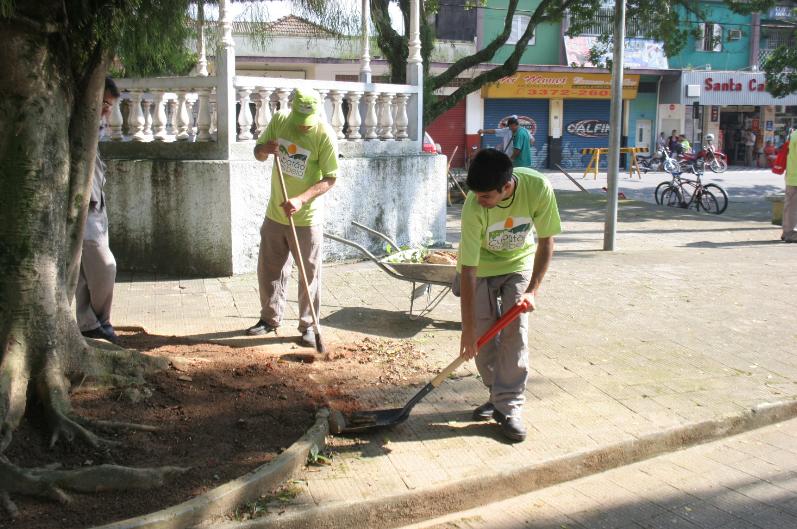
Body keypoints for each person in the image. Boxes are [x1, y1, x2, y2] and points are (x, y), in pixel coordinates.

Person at [456, 149, 561, 442]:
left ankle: (509, 407)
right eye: (476, 195)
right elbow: (468, 271)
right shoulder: (474, 207)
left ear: (506, 186)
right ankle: (497, 393)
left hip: (518, 264)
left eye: (487, 196)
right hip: (481, 269)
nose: (481, 201)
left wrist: (532, 291)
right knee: (482, 341)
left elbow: (546, 241)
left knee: (516, 334)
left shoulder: (537, 188)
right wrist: (468, 330)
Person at [246, 88, 339, 346]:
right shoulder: (280, 121)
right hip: (275, 213)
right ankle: (269, 319)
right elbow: (258, 154)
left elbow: (330, 177)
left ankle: (309, 325)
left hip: (306, 218)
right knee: (269, 270)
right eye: (299, 122)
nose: (303, 128)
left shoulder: (324, 135)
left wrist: (301, 199)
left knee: (309, 275)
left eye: (306, 124)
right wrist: (265, 148)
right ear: (293, 110)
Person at [76, 77, 120, 344]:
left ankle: (88, 323)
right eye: (104, 104)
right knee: (105, 265)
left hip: (97, 206)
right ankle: (99, 322)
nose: (107, 111)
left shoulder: (95, 127)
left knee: (85, 272)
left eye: (110, 106)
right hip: (85, 208)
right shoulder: (79, 123)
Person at [783, 128, 797, 243]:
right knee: (792, 207)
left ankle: (787, 231)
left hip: (791, 175)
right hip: (795, 177)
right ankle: (790, 233)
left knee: (790, 206)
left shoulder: (794, 134)